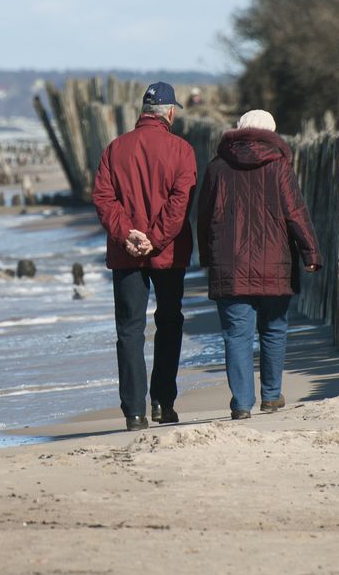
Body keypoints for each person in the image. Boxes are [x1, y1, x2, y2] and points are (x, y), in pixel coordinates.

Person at [198, 109, 322, 419]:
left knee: (236, 335)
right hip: (274, 261)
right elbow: (295, 212)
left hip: (229, 263)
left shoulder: (217, 168)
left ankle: (241, 404)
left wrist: (206, 257)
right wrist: (311, 253)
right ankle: (270, 396)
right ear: (271, 133)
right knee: (273, 330)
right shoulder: (278, 166)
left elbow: (203, 218)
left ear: (238, 129)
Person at [92, 82, 198, 431]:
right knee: (169, 322)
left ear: (143, 111)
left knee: (130, 330)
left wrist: (127, 235)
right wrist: (154, 239)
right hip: (167, 252)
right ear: (169, 112)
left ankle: (134, 412)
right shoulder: (181, 150)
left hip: (127, 254)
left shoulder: (114, 148)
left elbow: (104, 199)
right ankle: (162, 403)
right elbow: (179, 204)